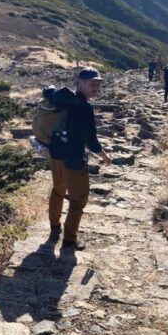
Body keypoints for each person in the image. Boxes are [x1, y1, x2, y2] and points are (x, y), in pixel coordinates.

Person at [48, 67, 112, 250]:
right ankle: (69, 240)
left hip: (55, 155)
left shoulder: (64, 100)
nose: (95, 87)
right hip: (73, 159)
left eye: (98, 83)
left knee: (58, 191)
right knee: (78, 199)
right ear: (80, 83)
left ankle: (54, 228)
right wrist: (104, 156)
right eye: (92, 83)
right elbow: (90, 140)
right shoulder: (84, 107)